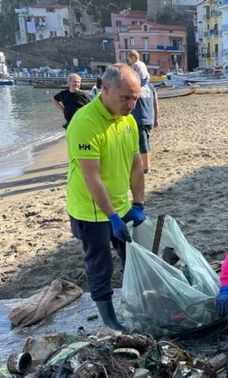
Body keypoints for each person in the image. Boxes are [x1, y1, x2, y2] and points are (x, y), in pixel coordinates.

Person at [66, 64, 145, 330]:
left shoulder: (128, 121)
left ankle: (136, 303)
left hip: (121, 206)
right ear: (105, 88)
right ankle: (110, 320)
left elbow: (136, 166)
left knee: (132, 258)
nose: (131, 104)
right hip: (92, 211)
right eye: (126, 97)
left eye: (135, 98)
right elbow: (92, 178)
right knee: (100, 266)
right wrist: (111, 217)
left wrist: (138, 204)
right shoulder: (85, 123)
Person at [131, 67, 159, 174]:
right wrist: (156, 118)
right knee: (146, 141)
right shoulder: (151, 87)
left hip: (139, 119)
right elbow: (155, 104)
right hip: (149, 119)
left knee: (142, 143)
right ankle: (147, 164)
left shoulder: (136, 87)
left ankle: (146, 167)